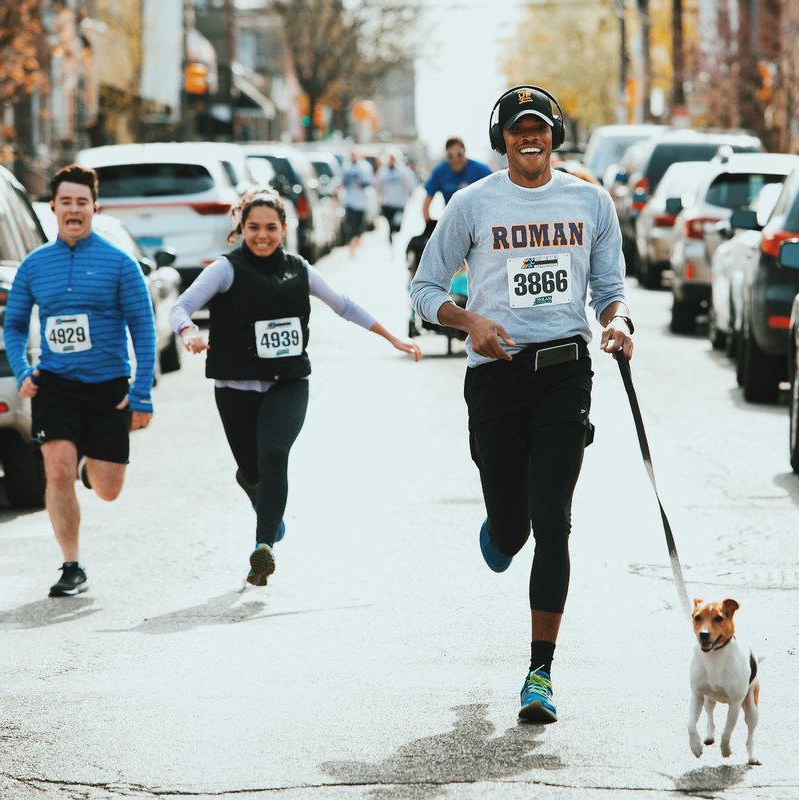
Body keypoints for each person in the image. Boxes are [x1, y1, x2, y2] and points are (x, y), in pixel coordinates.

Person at [410, 85, 634, 724]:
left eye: (538, 128)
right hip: (496, 379)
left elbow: (609, 289)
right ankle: (501, 528)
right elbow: (424, 289)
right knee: (513, 530)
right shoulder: (471, 204)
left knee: (553, 519)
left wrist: (619, 322)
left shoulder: (590, 201)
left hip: (565, 373)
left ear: (554, 135)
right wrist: (468, 321)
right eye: (517, 129)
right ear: (501, 139)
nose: (529, 137)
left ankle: (540, 673)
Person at [171, 188, 420, 587]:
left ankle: (263, 547)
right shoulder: (225, 269)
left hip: (287, 382)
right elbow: (180, 306)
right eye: (254, 227)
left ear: (284, 229)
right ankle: (261, 499)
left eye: (271, 227)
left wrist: (392, 337)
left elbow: (344, 305)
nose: (262, 235)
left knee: (274, 455)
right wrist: (188, 331)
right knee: (252, 470)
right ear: (241, 228)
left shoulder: (298, 268)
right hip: (235, 386)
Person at [3, 164, 156, 597]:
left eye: (82, 202)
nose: (74, 210)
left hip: (108, 386)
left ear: (94, 207)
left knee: (108, 490)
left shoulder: (119, 264)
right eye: (66, 202)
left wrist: (141, 393)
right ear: (53, 207)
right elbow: (14, 325)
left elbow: (143, 329)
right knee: (57, 471)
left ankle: (92, 466)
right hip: (54, 385)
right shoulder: (34, 266)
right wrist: (22, 370)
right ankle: (71, 565)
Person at [421, 136, 490, 222]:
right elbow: (426, 202)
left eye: (459, 154)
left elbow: (494, 196)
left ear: (464, 152)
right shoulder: (440, 172)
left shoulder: (481, 171)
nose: (456, 159)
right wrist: (429, 224)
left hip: (478, 220)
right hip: (452, 221)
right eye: (450, 156)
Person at [374, 151, 418, 245]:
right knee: (389, 223)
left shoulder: (403, 171)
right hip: (387, 203)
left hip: (399, 203)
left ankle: (392, 232)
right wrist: (380, 195)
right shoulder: (383, 171)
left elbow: (412, 184)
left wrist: (409, 192)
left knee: (398, 226)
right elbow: (377, 185)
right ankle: (390, 235)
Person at [341, 150, 375, 256]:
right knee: (350, 226)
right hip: (349, 201)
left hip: (361, 202)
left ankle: (356, 241)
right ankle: (351, 246)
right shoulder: (346, 167)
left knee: (359, 226)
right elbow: (343, 182)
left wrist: (360, 183)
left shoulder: (365, 167)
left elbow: (370, 182)